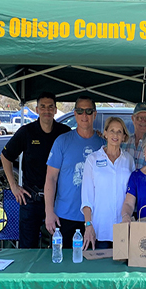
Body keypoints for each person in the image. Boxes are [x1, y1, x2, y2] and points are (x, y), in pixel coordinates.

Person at [0, 92, 70, 249]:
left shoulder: (64, 132)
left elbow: (79, 142)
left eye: (50, 107)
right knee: (27, 248)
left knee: (58, 246)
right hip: (31, 199)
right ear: (37, 110)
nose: (47, 110)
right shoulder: (26, 132)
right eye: (43, 107)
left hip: (57, 201)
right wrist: (13, 185)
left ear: (55, 110)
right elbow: (6, 156)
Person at [45, 96, 105, 247]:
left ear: (95, 114)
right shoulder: (62, 141)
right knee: (64, 266)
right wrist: (49, 212)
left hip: (95, 218)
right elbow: (51, 178)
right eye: (80, 111)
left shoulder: (104, 144)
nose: (84, 115)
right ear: (74, 113)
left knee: (93, 267)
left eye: (89, 111)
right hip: (65, 216)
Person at [81, 117, 135, 249]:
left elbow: (133, 194)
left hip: (123, 229)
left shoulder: (128, 160)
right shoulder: (92, 159)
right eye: (112, 131)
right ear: (105, 133)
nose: (115, 135)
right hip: (100, 230)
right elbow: (86, 197)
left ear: (124, 136)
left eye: (119, 132)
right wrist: (88, 225)